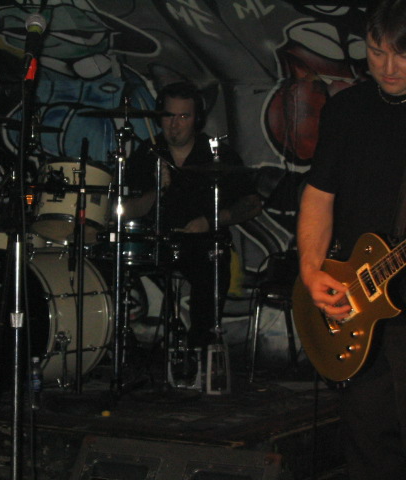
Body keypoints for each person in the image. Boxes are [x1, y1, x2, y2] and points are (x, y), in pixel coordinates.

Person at [296, 1, 406, 477]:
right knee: (368, 444)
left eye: (402, 55)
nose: (388, 67)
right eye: (377, 52)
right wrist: (310, 271)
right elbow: (319, 195)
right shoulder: (348, 109)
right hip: (360, 300)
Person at [124, 82, 262, 355]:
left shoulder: (217, 155)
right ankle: (123, 346)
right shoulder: (147, 153)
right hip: (154, 241)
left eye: (184, 116)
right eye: (168, 116)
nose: (174, 125)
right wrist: (157, 191)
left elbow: (252, 204)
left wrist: (211, 221)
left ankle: (200, 348)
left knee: (212, 263)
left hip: (201, 243)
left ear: (196, 119)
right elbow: (126, 210)